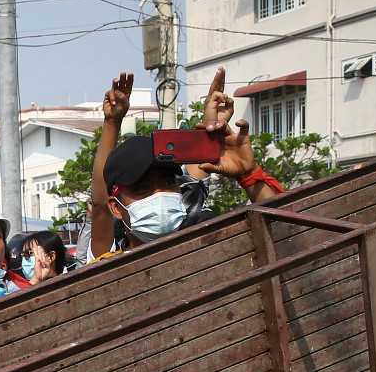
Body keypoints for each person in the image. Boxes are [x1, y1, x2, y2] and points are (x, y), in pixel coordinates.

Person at [88, 69, 280, 261]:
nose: (160, 196)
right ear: (115, 207)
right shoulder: (108, 259)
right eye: (142, 189)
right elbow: (100, 204)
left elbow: (289, 233)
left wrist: (249, 174)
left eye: (168, 183)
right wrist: (112, 122)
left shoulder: (210, 244)